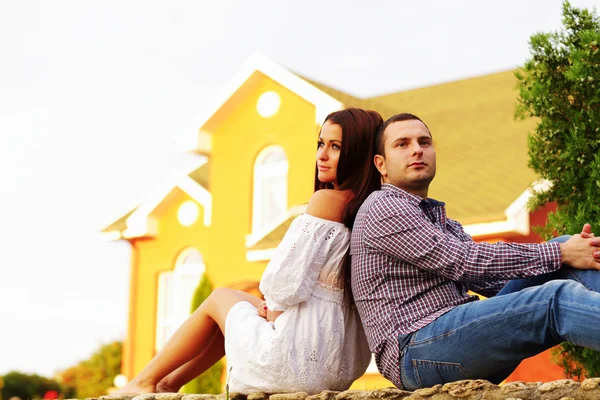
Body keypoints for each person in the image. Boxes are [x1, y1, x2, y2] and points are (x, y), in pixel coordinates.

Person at [116, 108, 383, 396]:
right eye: (321, 144)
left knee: (220, 298)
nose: (322, 155)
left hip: (295, 357)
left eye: (336, 147)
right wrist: (273, 307)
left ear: (358, 153)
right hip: (338, 365)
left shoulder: (327, 201)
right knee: (236, 311)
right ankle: (168, 383)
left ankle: (145, 380)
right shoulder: (370, 210)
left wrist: (274, 309)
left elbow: (284, 282)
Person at [350, 112, 600, 391]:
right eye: (402, 144)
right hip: (415, 351)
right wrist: (559, 255)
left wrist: (563, 256)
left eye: (424, 142)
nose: (417, 150)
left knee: (560, 250)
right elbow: (464, 262)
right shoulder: (383, 207)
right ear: (381, 164)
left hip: (452, 338)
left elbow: (490, 282)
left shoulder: (435, 217)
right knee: (554, 298)